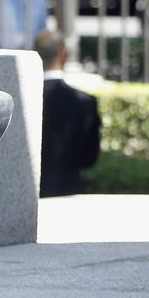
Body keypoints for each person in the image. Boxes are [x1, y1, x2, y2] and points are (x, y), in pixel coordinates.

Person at [37, 31, 100, 197]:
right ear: (63, 55)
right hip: (70, 190)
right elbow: (90, 157)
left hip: (26, 193)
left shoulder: (20, 101)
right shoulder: (85, 102)